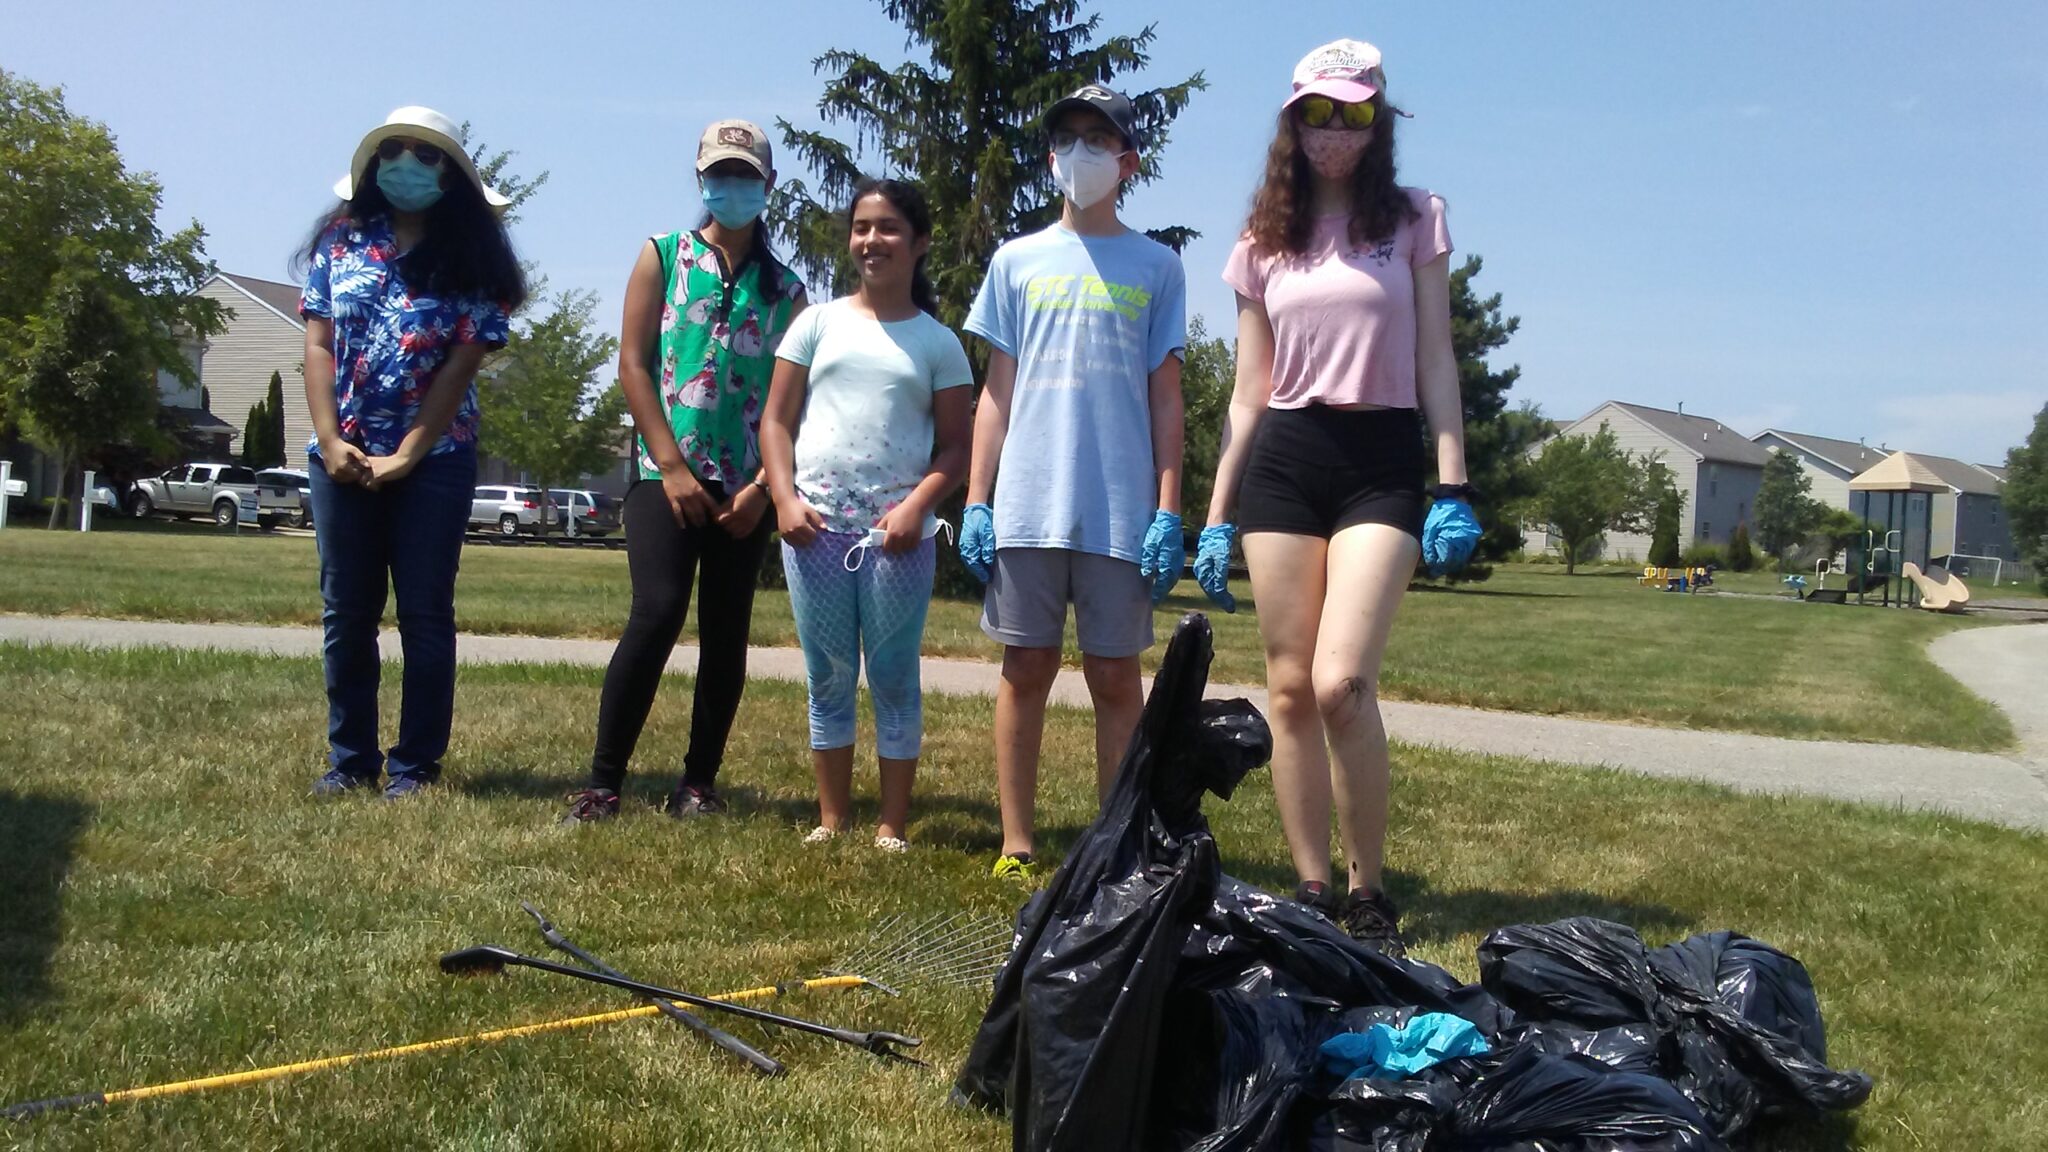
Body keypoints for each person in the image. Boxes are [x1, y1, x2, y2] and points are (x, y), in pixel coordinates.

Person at [1195, 41, 1483, 954]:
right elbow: (1248, 390)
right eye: (1319, 113)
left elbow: (1438, 357)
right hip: (1286, 456)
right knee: (1287, 691)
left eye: (1354, 113)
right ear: (1293, 119)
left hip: (1379, 457)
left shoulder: (1414, 219)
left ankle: (1369, 892)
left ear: (1377, 120)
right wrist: (1211, 516)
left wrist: (1452, 484)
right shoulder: (1260, 244)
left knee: (1341, 683)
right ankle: (1312, 889)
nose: (1334, 131)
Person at [958, 86, 1189, 879]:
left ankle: (1115, 845)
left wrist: (1167, 507)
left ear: (1127, 161)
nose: (1081, 152)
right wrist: (977, 498)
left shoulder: (1157, 266)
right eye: (1069, 138)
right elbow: (996, 391)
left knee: (1115, 676)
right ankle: (1016, 842)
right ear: (1052, 157)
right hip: (1027, 504)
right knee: (1024, 669)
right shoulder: (1015, 261)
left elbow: (1166, 395)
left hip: (1119, 509)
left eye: (1100, 139)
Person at [562, 120, 806, 823]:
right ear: (700, 179)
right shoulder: (663, 256)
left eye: (745, 175)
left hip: (746, 485)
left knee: (727, 629)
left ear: (768, 186)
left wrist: (764, 488)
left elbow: (795, 402)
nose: (731, 187)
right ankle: (604, 782)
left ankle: (698, 783)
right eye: (719, 174)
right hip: (664, 472)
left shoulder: (787, 291)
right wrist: (669, 465)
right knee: (658, 610)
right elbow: (633, 364)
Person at [298, 106, 526, 799]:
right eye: (392, 151)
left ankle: (415, 766)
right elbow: (316, 345)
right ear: (371, 168)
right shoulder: (340, 244)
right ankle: (351, 761)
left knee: (424, 613)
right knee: (347, 613)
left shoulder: (473, 263)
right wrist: (333, 441)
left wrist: (406, 456)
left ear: (452, 175)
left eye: (424, 155)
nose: (405, 164)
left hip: (437, 460)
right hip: (339, 458)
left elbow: (458, 369)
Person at [759, 179, 973, 852]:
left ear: (919, 244)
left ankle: (891, 825)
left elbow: (958, 446)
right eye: (861, 227)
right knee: (827, 674)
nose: (871, 241)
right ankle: (832, 819)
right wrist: (784, 499)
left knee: (891, 674)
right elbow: (775, 421)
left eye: (887, 228)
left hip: (896, 540)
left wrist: (916, 509)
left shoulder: (938, 344)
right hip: (814, 530)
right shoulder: (815, 324)